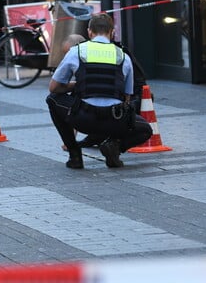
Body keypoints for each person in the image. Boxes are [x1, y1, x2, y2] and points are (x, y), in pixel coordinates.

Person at [46, 13, 152, 169]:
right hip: (114, 120)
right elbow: (127, 97)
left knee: (52, 99)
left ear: (89, 32)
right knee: (145, 130)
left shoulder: (77, 51)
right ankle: (114, 147)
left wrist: (77, 85)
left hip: (84, 119)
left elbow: (54, 87)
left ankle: (75, 155)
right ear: (112, 32)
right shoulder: (122, 55)